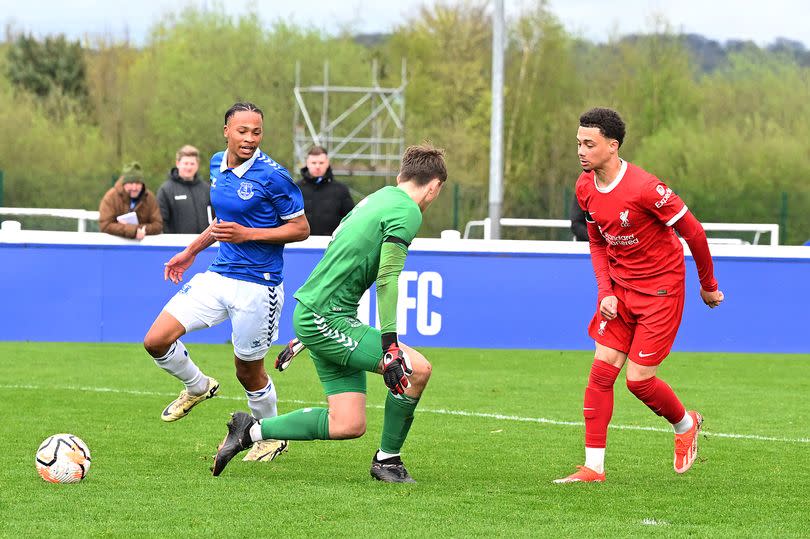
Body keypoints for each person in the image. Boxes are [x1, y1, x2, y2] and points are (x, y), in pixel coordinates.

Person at [212, 144, 448, 482]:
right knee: (418, 369)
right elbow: (388, 278)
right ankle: (388, 460)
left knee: (348, 424)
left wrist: (308, 332)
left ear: (400, 176)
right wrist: (390, 345)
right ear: (435, 185)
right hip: (326, 318)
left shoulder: (379, 198)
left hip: (323, 317)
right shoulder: (408, 211)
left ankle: (248, 431)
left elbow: (337, 260)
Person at [555, 107, 725, 484]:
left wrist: (708, 285)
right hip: (620, 292)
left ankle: (685, 424)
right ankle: (593, 468)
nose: (580, 151)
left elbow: (694, 233)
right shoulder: (585, 187)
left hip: (661, 291)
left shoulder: (646, 188)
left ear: (612, 146)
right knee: (600, 374)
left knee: (638, 381)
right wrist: (605, 291)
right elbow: (597, 241)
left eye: (589, 144)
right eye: (578, 143)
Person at [142, 102, 310, 464]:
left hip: (258, 285)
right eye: (242, 131)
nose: (249, 138)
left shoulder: (274, 176)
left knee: (247, 369)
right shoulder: (218, 163)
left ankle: (271, 436)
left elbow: (301, 228)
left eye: (256, 132)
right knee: (155, 340)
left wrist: (248, 233)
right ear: (226, 132)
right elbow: (222, 222)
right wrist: (190, 251)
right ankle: (198, 386)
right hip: (218, 274)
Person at [297, 145, 355, 236]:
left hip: (332, 245)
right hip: (301, 245)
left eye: (321, 163)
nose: (317, 166)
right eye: (313, 163)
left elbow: (351, 220)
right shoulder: (296, 189)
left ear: (327, 163)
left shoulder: (341, 189)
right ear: (307, 163)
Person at [157, 145, 213, 234]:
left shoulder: (206, 189)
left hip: (203, 245)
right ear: (178, 163)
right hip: (177, 245)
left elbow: (215, 217)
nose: (189, 167)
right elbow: (162, 222)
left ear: (197, 165)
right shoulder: (166, 190)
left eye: (192, 164)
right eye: (185, 163)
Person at [99, 162, 163, 240]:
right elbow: (105, 225)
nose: (134, 188)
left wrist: (136, 230)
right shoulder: (111, 197)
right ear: (124, 183)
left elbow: (158, 225)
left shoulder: (149, 198)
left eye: (138, 183)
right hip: (116, 247)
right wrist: (133, 231)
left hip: (142, 248)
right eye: (131, 183)